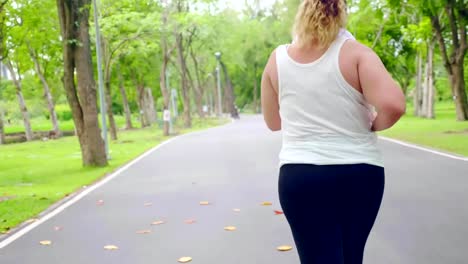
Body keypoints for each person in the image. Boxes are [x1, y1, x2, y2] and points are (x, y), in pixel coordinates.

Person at [261, 0, 405, 263]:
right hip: (359, 173)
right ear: (341, 12)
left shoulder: (277, 60)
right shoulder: (357, 54)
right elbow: (394, 105)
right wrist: (373, 124)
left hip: (301, 176)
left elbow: (273, 122)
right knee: (351, 256)